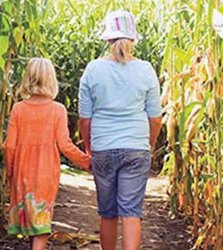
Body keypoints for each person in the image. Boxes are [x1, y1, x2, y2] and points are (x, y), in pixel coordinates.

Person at [78, 10, 163, 250]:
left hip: (103, 147)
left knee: (107, 212)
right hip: (136, 147)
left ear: (107, 39)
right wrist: (149, 142)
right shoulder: (146, 70)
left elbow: (86, 118)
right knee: (131, 212)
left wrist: (89, 147)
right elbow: (155, 117)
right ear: (133, 39)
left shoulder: (93, 70)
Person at [3, 58, 91, 250]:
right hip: (46, 173)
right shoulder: (57, 110)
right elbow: (65, 145)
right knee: (41, 221)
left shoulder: (18, 108)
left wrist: (10, 170)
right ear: (51, 80)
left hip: (22, 171)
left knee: (30, 218)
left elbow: (9, 145)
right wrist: (87, 162)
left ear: (28, 79)